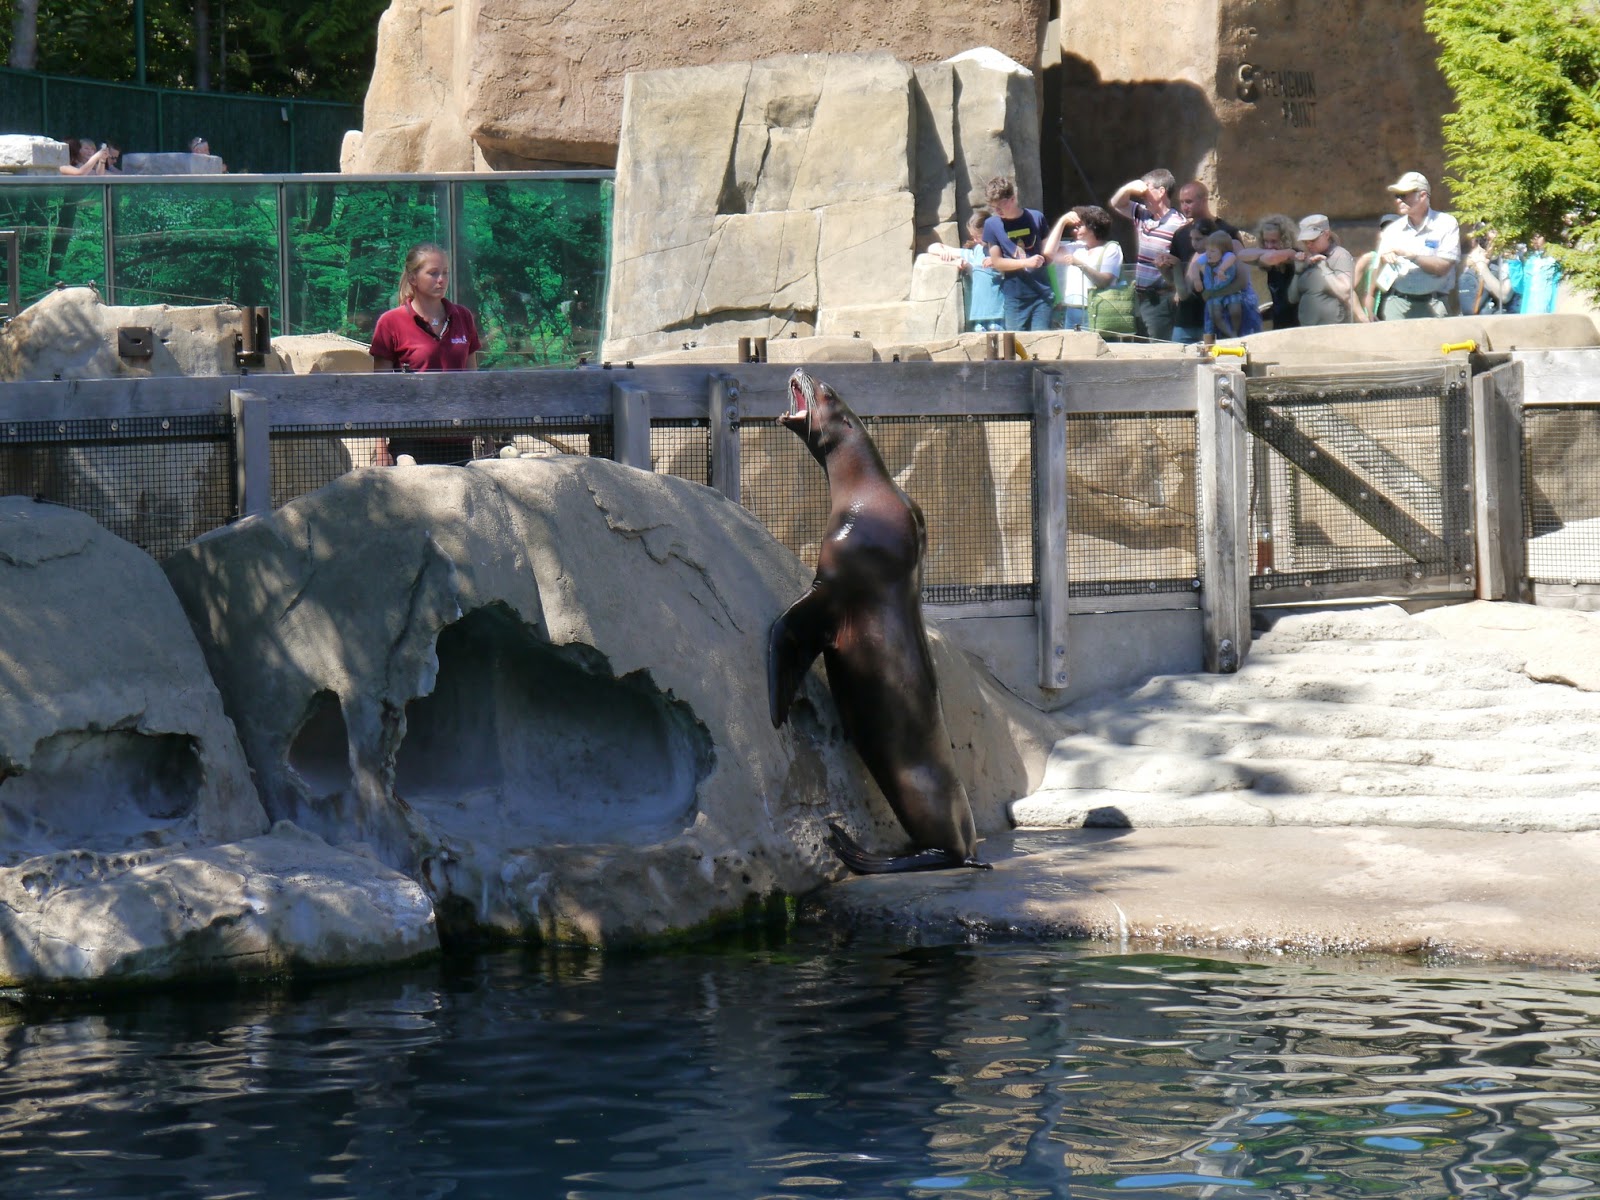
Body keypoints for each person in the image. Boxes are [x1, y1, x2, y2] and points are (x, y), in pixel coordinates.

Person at [369, 242, 482, 464]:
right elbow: (379, 390)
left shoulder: (463, 317)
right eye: (433, 273)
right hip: (411, 439)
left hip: (458, 438)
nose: (441, 279)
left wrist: (485, 433)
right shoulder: (391, 322)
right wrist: (381, 448)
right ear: (413, 278)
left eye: (445, 273)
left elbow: (473, 381)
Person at [1108, 168, 1186, 341]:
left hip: (1162, 297)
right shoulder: (1143, 214)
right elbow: (1116, 203)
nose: (1142, 193)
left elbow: (1183, 259)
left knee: (1161, 347)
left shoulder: (1178, 223)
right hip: (1142, 298)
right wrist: (1129, 187)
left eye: (1147, 188)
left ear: (1161, 191)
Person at [1374, 171, 1461, 320]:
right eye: (1397, 196)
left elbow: (1443, 267)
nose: (1398, 200)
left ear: (1422, 195)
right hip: (1398, 304)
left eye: (1404, 195)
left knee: (1437, 344)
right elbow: (1377, 276)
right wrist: (1383, 260)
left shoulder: (1446, 223)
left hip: (1434, 303)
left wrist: (1412, 256)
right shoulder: (1392, 230)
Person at [1166, 181, 1243, 344]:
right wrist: (1164, 267)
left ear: (1204, 200)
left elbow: (1241, 275)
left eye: (1189, 201)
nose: (1184, 207)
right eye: (1181, 202)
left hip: (1217, 314)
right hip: (1186, 317)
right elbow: (1175, 280)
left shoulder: (1227, 232)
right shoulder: (1180, 234)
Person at [981, 176, 1054, 332]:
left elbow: (1049, 253)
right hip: (1015, 297)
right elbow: (998, 262)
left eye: (1001, 205)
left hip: (1042, 294)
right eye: (994, 207)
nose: (997, 211)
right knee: (1016, 347)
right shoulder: (992, 224)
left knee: (1041, 345)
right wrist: (1026, 263)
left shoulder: (1036, 217)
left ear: (1013, 199)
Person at [1041, 204, 1124, 333]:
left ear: (1093, 227)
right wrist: (1062, 222)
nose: (1075, 230)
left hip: (1096, 309)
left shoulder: (1111, 248)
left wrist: (1080, 264)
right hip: (1072, 309)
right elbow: (1048, 254)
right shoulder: (1076, 247)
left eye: (1080, 226)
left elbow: (1104, 281)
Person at [925, 209, 1005, 333]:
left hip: (998, 312)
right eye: (973, 236)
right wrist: (945, 254)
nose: (975, 239)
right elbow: (933, 247)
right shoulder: (976, 251)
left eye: (978, 236)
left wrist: (996, 261)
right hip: (979, 314)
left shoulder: (1003, 250)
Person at [1286, 214, 1356, 326]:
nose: (1309, 245)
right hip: (1308, 330)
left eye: (1313, 240)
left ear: (1326, 234)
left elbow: (1345, 293)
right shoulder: (1307, 259)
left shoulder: (1340, 255)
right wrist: (1298, 271)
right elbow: (1292, 298)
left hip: (1334, 329)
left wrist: (1324, 268)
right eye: (1305, 241)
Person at [1252, 213, 1301, 329]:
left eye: (1274, 242)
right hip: (1280, 322)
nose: (1269, 246)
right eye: (1266, 241)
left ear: (1285, 240)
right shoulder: (1272, 264)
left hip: (1298, 323)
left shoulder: (1295, 255)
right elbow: (1242, 255)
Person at [1199, 230, 1247, 339]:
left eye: (1212, 251)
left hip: (1230, 290)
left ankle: (1235, 331)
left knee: (1235, 311)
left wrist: (1221, 269)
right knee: (1215, 315)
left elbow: (1231, 259)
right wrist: (1197, 279)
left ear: (1223, 251)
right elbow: (1195, 264)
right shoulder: (1207, 256)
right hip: (1213, 291)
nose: (1208, 253)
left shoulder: (1228, 256)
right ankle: (1231, 334)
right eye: (1207, 250)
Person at [1508, 233, 1562, 314]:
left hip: (1551, 312)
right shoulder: (1531, 260)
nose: (1535, 240)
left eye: (1539, 236)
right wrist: (1514, 263)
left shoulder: (1557, 260)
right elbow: (1520, 287)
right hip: (1530, 313)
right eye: (1532, 237)